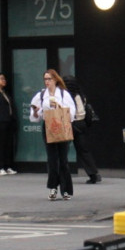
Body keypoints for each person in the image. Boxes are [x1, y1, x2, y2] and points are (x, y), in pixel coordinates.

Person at [29, 69, 76, 200]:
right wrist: (36, 111)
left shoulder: (63, 94)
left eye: (49, 79)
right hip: (48, 126)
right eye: (45, 79)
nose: (47, 82)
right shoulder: (41, 95)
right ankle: (53, 187)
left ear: (55, 79)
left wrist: (58, 106)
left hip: (61, 125)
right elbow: (34, 117)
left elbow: (71, 113)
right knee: (52, 159)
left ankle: (66, 189)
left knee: (63, 158)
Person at [63, 75, 101, 184]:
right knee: (83, 150)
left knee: (63, 149)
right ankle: (93, 173)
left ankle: (63, 174)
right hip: (82, 124)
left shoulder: (66, 97)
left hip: (71, 124)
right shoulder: (81, 95)